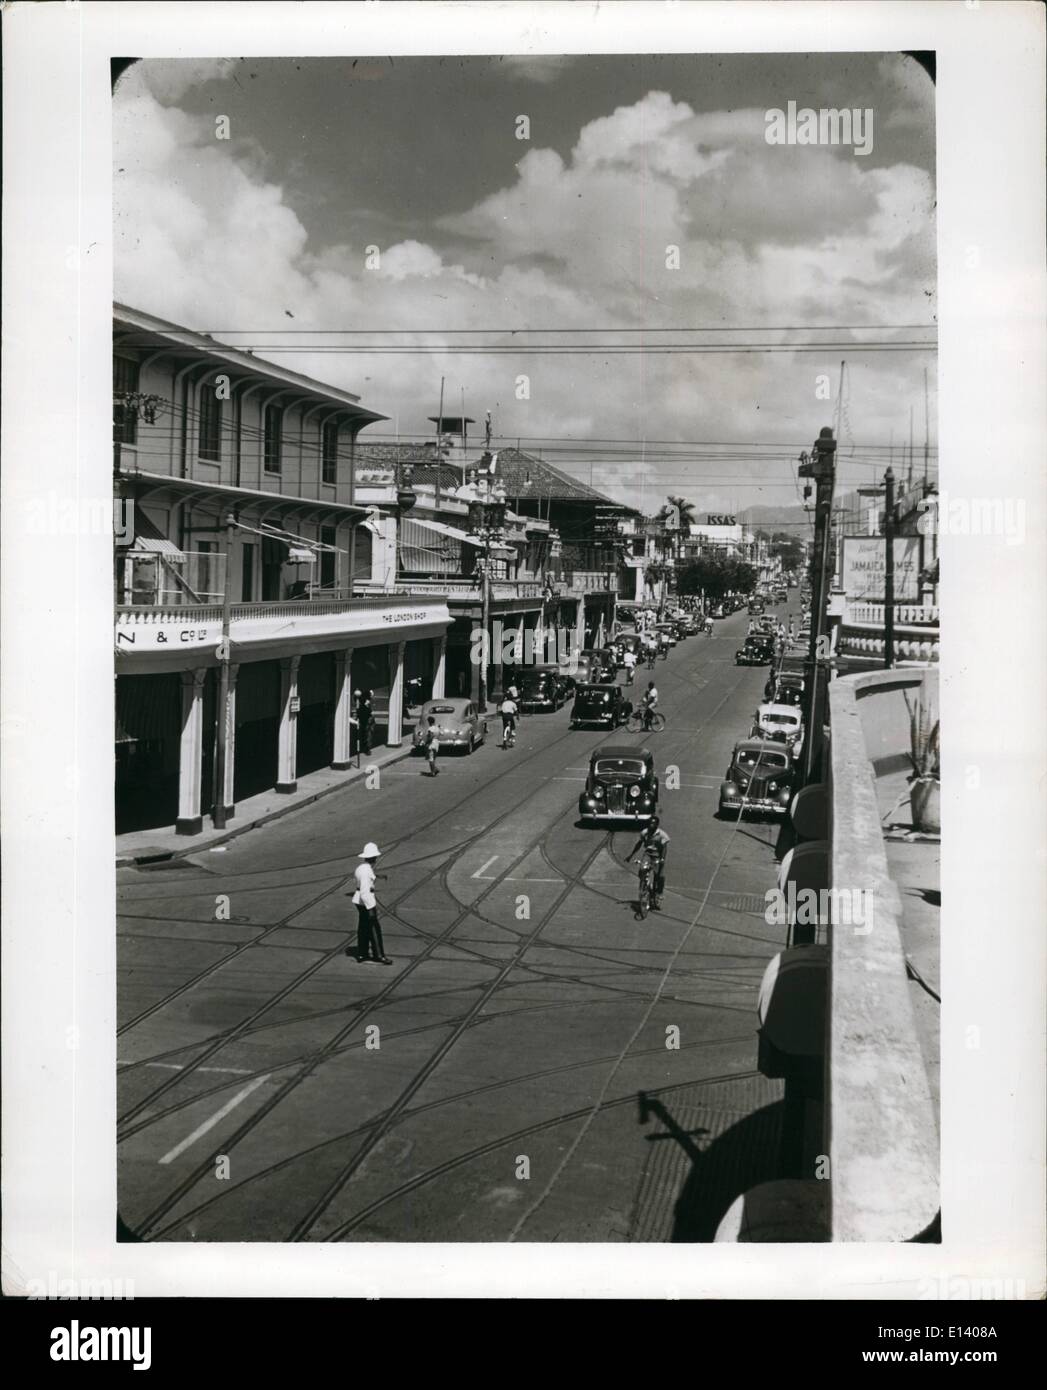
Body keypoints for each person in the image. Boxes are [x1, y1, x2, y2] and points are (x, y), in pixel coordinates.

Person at [349, 841, 391, 964]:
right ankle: (379, 955)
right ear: (373, 858)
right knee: (374, 928)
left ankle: (362, 954)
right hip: (366, 901)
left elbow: (363, 879)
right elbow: (365, 891)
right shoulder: (367, 871)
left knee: (363, 927)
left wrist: (377, 876)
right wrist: (371, 908)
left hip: (358, 901)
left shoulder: (361, 868)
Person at [626, 817, 671, 911]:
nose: (651, 825)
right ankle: (646, 886)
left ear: (657, 825)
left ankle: (658, 894)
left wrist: (662, 859)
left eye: (653, 824)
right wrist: (631, 855)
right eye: (650, 823)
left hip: (657, 856)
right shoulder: (644, 832)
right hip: (648, 855)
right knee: (642, 870)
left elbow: (664, 848)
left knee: (660, 876)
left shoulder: (662, 835)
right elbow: (639, 844)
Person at [355, 689, 373, 755]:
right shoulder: (360, 703)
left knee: (367, 734)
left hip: (367, 719)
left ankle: (367, 748)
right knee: (363, 733)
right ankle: (363, 747)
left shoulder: (367, 703)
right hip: (363, 718)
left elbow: (369, 711)